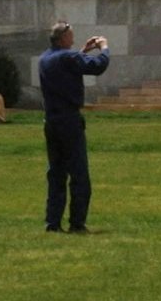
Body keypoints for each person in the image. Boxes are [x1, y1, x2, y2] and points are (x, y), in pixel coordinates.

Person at [36, 24, 111, 233]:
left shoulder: (45, 58)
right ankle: (77, 223)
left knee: (56, 173)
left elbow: (66, 65)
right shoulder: (68, 57)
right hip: (69, 120)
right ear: (62, 39)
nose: (73, 37)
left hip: (51, 121)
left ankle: (53, 223)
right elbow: (97, 66)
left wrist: (83, 52)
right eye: (70, 35)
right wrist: (104, 48)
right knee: (79, 174)